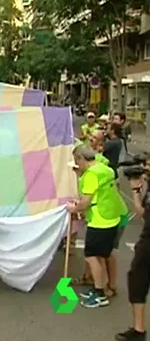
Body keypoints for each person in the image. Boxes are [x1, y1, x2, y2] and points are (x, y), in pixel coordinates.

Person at [67, 145, 125, 308]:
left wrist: (74, 208)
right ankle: (100, 288)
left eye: (76, 161)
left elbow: (85, 201)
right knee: (102, 255)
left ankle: (99, 293)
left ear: (80, 158)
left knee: (92, 256)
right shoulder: (105, 169)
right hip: (111, 217)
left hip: (99, 221)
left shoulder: (91, 175)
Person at [116, 159, 150, 340]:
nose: (145, 170)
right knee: (137, 281)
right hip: (147, 241)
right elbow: (142, 214)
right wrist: (136, 191)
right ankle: (139, 330)